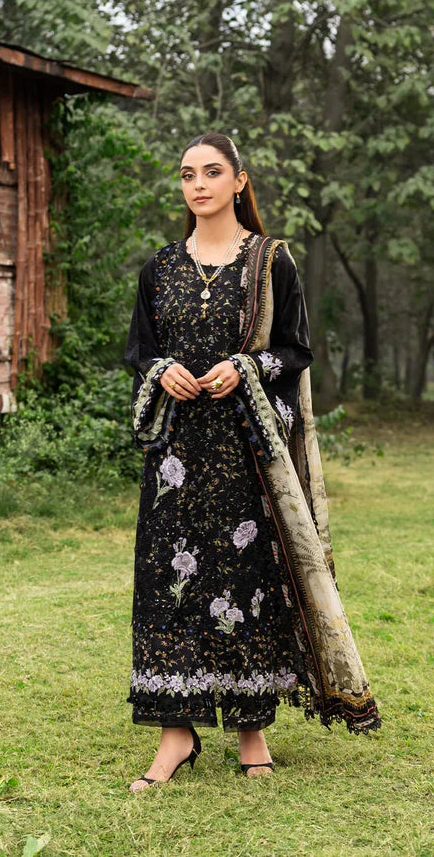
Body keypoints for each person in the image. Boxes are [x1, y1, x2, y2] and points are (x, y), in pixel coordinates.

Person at [123, 132, 380, 792]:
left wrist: (246, 366)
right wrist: (162, 369)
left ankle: (251, 731)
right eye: (187, 174)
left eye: (211, 172)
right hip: (176, 457)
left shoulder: (270, 263)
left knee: (245, 584)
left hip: (244, 451)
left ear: (239, 181)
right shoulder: (159, 268)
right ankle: (175, 734)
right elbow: (139, 350)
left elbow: (295, 351)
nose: (198, 185)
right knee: (170, 585)